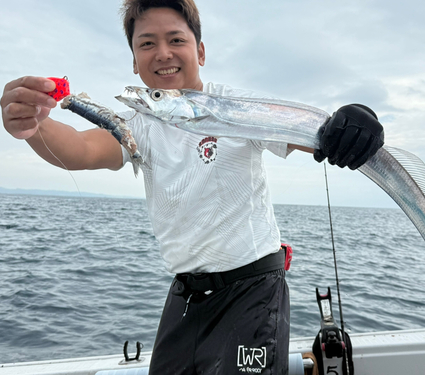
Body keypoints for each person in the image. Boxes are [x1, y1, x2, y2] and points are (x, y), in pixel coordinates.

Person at [1, 0, 384, 373]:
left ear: (200, 51)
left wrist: (350, 124)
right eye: (147, 43)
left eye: (176, 40)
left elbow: (312, 134)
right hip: (186, 295)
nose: (163, 53)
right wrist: (33, 125)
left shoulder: (234, 106)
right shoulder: (140, 123)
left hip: (253, 290)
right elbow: (81, 149)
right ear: (134, 61)